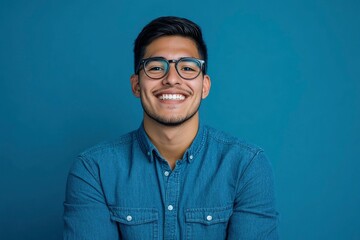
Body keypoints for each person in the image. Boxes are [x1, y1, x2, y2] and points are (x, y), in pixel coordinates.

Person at [63, 16, 279, 239]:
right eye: (156, 67)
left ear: (204, 86)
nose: (172, 79)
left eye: (187, 67)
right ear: (136, 85)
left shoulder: (247, 166)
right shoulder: (93, 169)